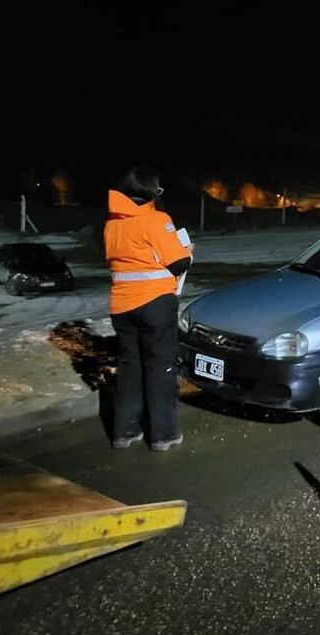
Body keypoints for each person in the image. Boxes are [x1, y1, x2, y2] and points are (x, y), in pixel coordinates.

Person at [105, 169, 192, 451]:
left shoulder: (112, 224)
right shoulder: (157, 220)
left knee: (130, 368)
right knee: (161, 368)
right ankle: (163, 435)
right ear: (150, 193)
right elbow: (178, 263)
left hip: (121, 305)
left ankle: (125, 432)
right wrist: (187, 249)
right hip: (154, 304)